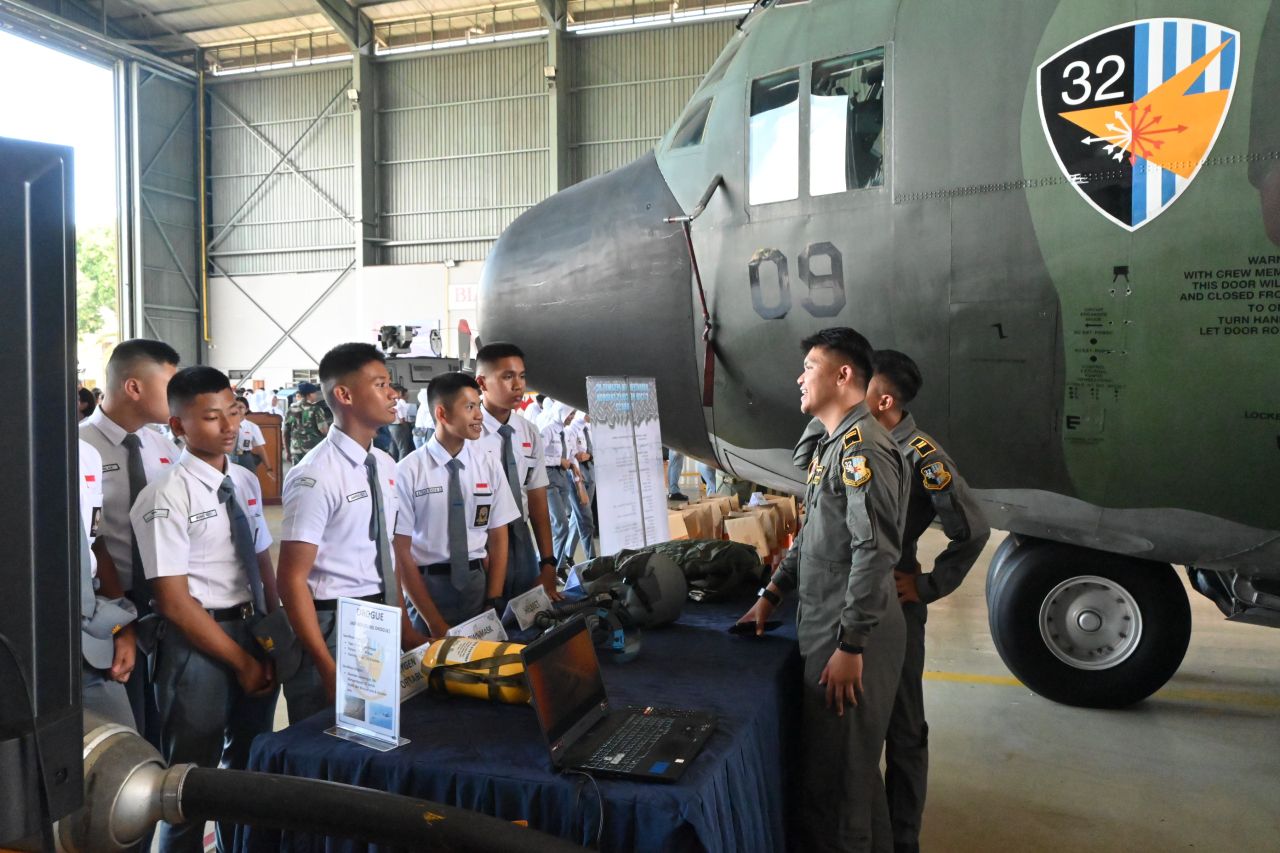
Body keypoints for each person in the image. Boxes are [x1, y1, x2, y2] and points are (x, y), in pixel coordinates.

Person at [739, 327, 908, 853]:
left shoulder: (863, 449)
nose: (799, 376)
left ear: (843, 375)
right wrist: (772, 593)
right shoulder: (833, 445)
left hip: (850, 633)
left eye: (810, 365)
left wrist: (851, 644)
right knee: (852, 781)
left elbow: (875, 551)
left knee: (835, 792)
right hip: (828, 624)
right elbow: (815, 534)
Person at [130, 366, 278, 853]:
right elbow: (173, 601)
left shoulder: (244, 481)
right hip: (198, 645)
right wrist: (241, 662)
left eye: (232, 412)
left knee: (247, 775)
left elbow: (261, 560)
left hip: (252, 630)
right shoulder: (165, 495)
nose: (229, 427)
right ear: (178, 427)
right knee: (188, 786)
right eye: (212, 418)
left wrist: (274, 635)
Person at [864, 349, 991, 853]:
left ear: (886, 399)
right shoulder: (859, 442)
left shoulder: (921, 455)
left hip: (897, 605)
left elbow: (972, 529)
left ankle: (903, 840)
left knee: (904, 728)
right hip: (856, 600)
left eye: (865, 386)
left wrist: (928, 585)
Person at [276, 343, 407, 724]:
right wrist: (326, 664)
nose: (392, 393)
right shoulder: (315, 475)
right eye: (380, 384)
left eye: (390, 384)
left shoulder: (383, 463)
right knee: (326, 748)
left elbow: (386, 552)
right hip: (333, 628)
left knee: (377, 736)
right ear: (344, 395)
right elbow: (291, 579)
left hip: (378, 620)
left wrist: (403, 626)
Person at [78, 338, 181, 741]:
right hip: (116, 596)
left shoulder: (162, 447)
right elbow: (93, 539)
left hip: (168, 592)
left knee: (170, 707)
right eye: (168, 386)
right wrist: (121, 619)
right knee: (130, 715)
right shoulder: (80, 448)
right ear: (133, 387)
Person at [394, 373, 520, 635]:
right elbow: (401, 551)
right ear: (442, 414)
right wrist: (433, 621)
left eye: (478, 405)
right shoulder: (408, 471)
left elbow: (498, 535)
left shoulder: (488, 464)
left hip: (476, 586)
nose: (479, 416)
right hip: (427, 590)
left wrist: (492, 600)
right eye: (470, 407)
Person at [473, 342, 561, 602]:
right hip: (482, 543)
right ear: (482, 382)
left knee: (526, 617)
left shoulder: (528, 431)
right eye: (507, 376)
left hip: (522, 541)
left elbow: (536, 499)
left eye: (521, 376)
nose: (518, 385)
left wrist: (547, 562)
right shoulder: (469, 434)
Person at [78, 437, 137, 729]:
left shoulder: (85, 454)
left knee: (125, 752)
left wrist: (122, 628)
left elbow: (94, 544)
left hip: (89, 636)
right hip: (25, 644)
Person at [538, 400, 582, 570]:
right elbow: (537, 456)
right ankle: (553, 566)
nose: (571, 417)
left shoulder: (565, 432)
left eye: (572, 414)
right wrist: (558, 460)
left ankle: (557, 563)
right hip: (549, 478)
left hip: (563, 478)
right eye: (569, 414)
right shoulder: (547, 430)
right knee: (562, 524)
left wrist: (574, 469)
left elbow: (570, 456)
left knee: (558, 525)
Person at [564, 411, 597, 562]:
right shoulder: (570, 429)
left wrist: (589, 455)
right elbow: (569, 456)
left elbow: (598, 448)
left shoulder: (590, 427)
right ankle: (592, 559)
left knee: (578, 518)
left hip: (591, 472)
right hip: (576, 475)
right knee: (586, 520)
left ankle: (566, 555)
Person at [282, 382, 329, 464]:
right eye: (315, 393)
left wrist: (287, 451)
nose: (316, 395)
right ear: (310, 394)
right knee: (314, 475)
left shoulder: (291, 409)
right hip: (313, 451)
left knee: (298, 475)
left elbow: (285, 433)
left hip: (296, 451)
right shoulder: (316, 409)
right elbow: (324, 430)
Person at [232, 395, 275, 480]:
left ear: (246, 409)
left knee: (249, 483)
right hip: (228, 457)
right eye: (235, 407)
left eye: (241, 407)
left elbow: (260, 448)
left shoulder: (252, 427)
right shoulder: (227, 425)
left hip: (245, 457)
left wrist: (269, 468)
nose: (238, 409)